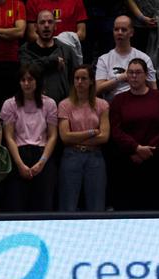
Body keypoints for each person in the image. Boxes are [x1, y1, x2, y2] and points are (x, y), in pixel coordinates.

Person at [107, 57, 159, 210]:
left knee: (154, 207)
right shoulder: (119, 100)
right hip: (128, 161)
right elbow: (116, 130)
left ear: (146, 75)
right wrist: (135, 148)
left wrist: (148, 150)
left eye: (138, 72)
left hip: (156, 161)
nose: (134, 76)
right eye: (130, 73)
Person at [0, 64, 57, 212]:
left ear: (37, 81)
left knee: (43, 206)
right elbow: (9, 137)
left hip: (42, 155)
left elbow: (52, 136)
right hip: (18, 155)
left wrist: (41, 162)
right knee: (16, 206)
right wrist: (20, 164)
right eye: (23, 80)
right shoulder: (10, 104)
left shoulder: (49, 104)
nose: (26, 83)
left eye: (30, 79)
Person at [55, 64, 108, 210]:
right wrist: (91, 132)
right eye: (76, 78)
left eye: (83, 78)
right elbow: (65, 137)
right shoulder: (64, 105)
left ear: (91, 81)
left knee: (96, 205)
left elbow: (104, 136)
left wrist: (76, 136)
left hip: (95, 156)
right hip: (72, 155)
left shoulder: (102, 104)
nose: (79, 82)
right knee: (68, 205)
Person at [95, 14, 154, 98]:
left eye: (124, 30)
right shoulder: (104, 59)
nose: (119, 33)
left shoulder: (144, 58)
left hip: (138, 101)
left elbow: (153, 89)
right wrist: (121, 78)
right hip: (113, 103)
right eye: (116, 29)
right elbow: (98, 89)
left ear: (131, 32)